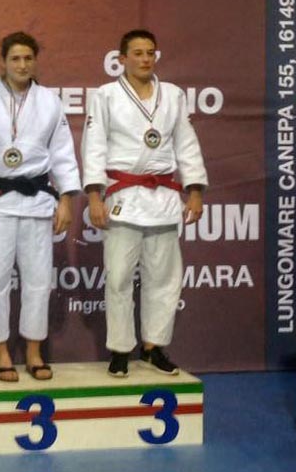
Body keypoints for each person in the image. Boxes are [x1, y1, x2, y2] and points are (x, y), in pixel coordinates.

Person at [81, 29, 208, 377]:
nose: (145, 59)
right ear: (122, 59)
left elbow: (186, 143)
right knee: (119, 277)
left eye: (150, 52)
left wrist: (195, 190)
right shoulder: (106, 95)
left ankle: (153, 347)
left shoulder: (173, 95)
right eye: (137, 53)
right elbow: (94, 145)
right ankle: (121, 349)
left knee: (164, 278)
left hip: (163, 197)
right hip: (123, 195)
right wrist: (95, 194)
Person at [0, 32, 81, 381]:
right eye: (15, 59)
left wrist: (66, 199)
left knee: (38, 281)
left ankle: (33, 351)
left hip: (38, 201)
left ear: (35, 61)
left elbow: (62, 154)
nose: (22, 65)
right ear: (3, 61)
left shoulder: (49, 102)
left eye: (28, 58)